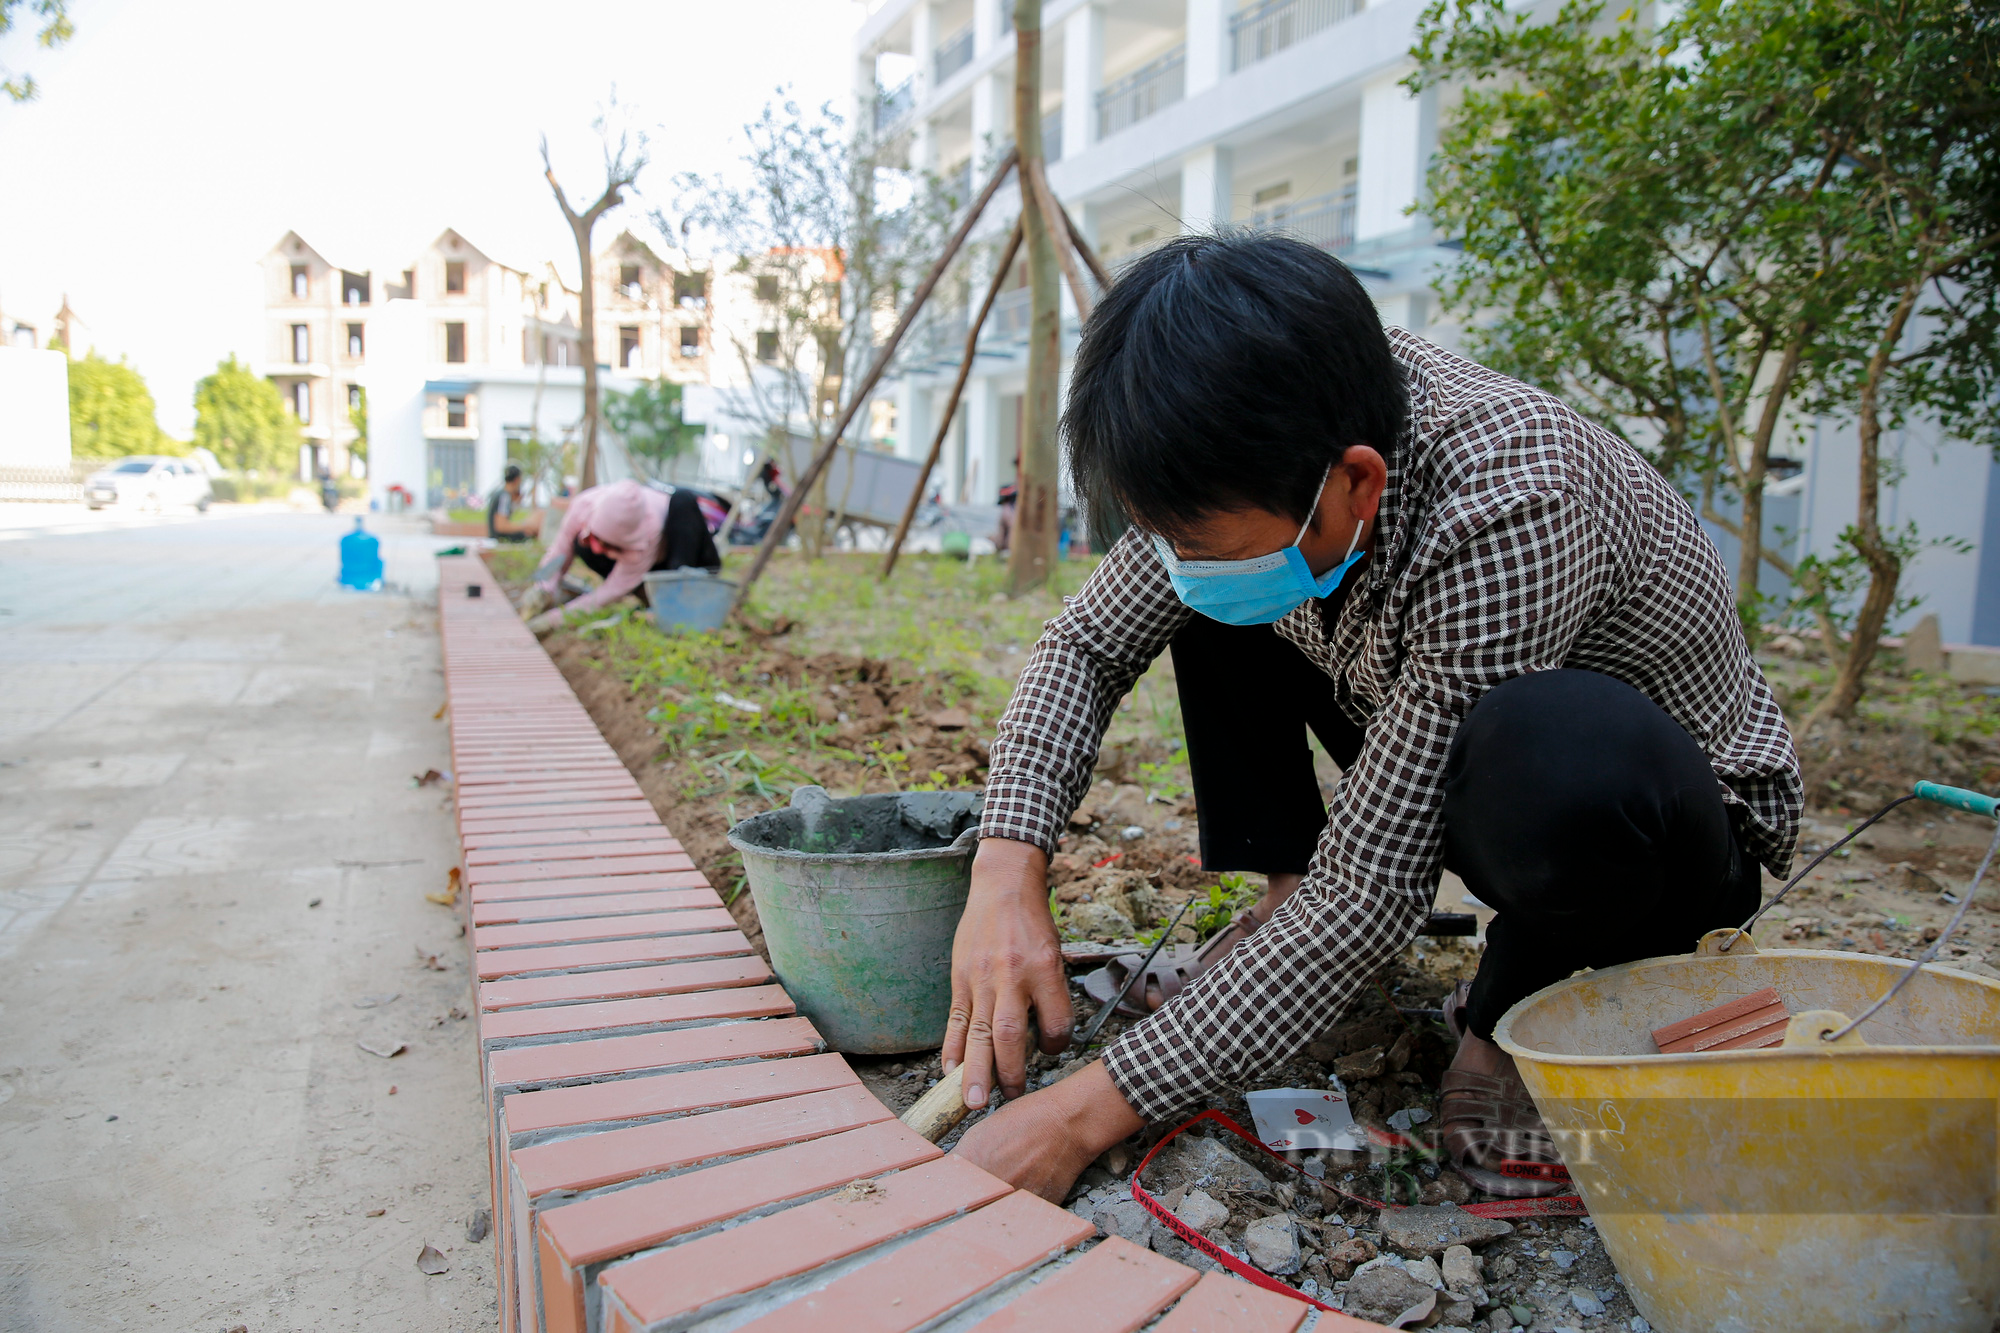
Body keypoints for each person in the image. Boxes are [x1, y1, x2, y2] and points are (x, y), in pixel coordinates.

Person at [945, 233, 1801, 1203]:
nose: (1170, 557)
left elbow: (1369, 893)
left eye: (1189, 534)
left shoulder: (1508, 505)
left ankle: (1505, 1019)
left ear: (1355, 481)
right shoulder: (1269, 429)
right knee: (1222, 593)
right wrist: (1004, 868)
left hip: (1659, 829)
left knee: (1554, 752)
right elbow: (1085, 646)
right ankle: (1282, 905)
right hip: (1436, 715)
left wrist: (1076, 1117)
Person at [523, 478, 721, 631]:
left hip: (690, 563)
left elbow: (609, 592)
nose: (599, 550)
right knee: (579, 544)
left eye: (608, 545)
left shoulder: (649, 533)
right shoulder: (584, 504)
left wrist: (552, 620)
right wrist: (543, 587)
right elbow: (560, 550)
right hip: (648, 570)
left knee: (683, 500)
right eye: (596, 540)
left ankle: (673, 604)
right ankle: (653, 599)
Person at [487, 465, 542, 543]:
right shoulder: (504, 496)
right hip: (500, 540)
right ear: (517, 480)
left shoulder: (499, 494)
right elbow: (501, 526)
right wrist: (524, 527)